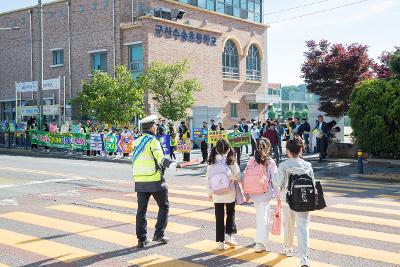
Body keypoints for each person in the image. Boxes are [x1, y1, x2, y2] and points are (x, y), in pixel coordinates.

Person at [132, 115, 174, 248]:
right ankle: (159, 234)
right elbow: (160, 158)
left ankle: (142, 239)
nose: (156, 128)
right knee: (164, 206)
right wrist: (171, 163)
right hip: (155, 180)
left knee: (141, 210)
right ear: (151, 128)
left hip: (139, 180)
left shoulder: (136, 142)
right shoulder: (153, 141)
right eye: (155, 126)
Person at [272, 136, 314, 267]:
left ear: (288, 151)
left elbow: (278, 182)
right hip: (304, 200)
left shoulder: (284, 165)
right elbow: (312, 183)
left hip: (288, 200)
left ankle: (288, 248)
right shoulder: (307, 165)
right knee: (303, 228)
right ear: (301, 149)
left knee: (288, 225)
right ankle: (304, 258)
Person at [244, 138, 280, 253]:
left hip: (254, 193)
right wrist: (279, 197)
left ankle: (260, 240)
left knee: (260, 217)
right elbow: (275, 182)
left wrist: (246, 193)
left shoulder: (251, 161)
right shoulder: (270, 162)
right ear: (268, 148)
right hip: (265, 194)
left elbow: (245, 176)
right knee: (263, 218)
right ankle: (260, 243)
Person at [206, 139, 240, 251]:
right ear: (228, 149)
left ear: (216, 149)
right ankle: (229, 237)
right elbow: (238, 176)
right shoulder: (231, 160)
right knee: (230, 213)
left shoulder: (211, 161)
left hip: (217, 194)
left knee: (219, 217)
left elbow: (208, 178)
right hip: (229, 192)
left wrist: (210, 192)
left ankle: (220, 242)